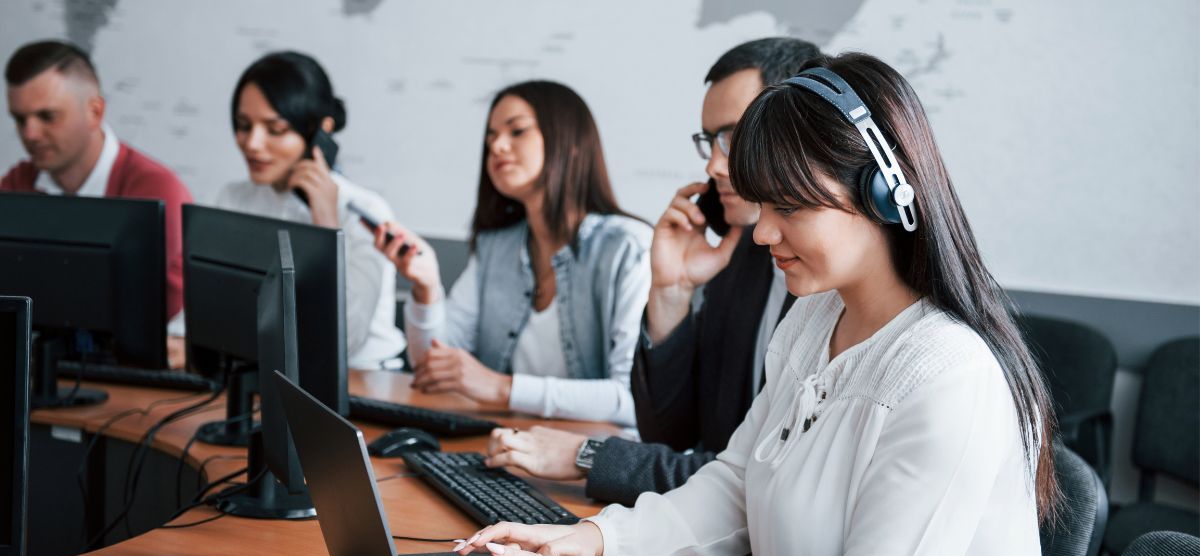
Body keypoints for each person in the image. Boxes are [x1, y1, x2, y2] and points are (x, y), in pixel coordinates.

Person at [452, 53, 1078, 556]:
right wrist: (596, 539)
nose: (761, 233)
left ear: (884, 194)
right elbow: (737, 485)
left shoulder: (947, 374)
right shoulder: (814, 318)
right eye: (762, 206)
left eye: (790, 208)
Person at [484, 38, 820, 504]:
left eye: (734, 136)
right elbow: (671, 432)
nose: (713, 164)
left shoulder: (837, 291)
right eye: (709, 141)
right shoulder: (741, 256)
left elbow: (757, 484)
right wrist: (671, 292)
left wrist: (588, 456)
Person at [374, 80, 650, 427]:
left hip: (589, 452)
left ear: (571, 142)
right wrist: (426, 287)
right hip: (507, 442)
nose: (497, 146)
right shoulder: (496, 245)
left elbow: (631, 399)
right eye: (491, 137)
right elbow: (432, 367)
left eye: (517, 131)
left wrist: (501, 388)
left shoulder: (628, 247)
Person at [200, 51, 404, 369]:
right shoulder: (234, 198)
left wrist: (326, 227)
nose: (252, 143)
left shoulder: (363, 212)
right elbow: (209, 307)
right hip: (265, 371)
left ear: (320, 132)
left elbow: (345, 339)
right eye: (243, 125)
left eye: (275, 129)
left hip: (363, 379)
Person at [3, 39, 190, 322]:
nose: (30, 134)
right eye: (20, 119)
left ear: (95, 112)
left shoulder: (157, 192)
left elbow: (142, 314)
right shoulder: (16, 186)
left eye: (47, 116)